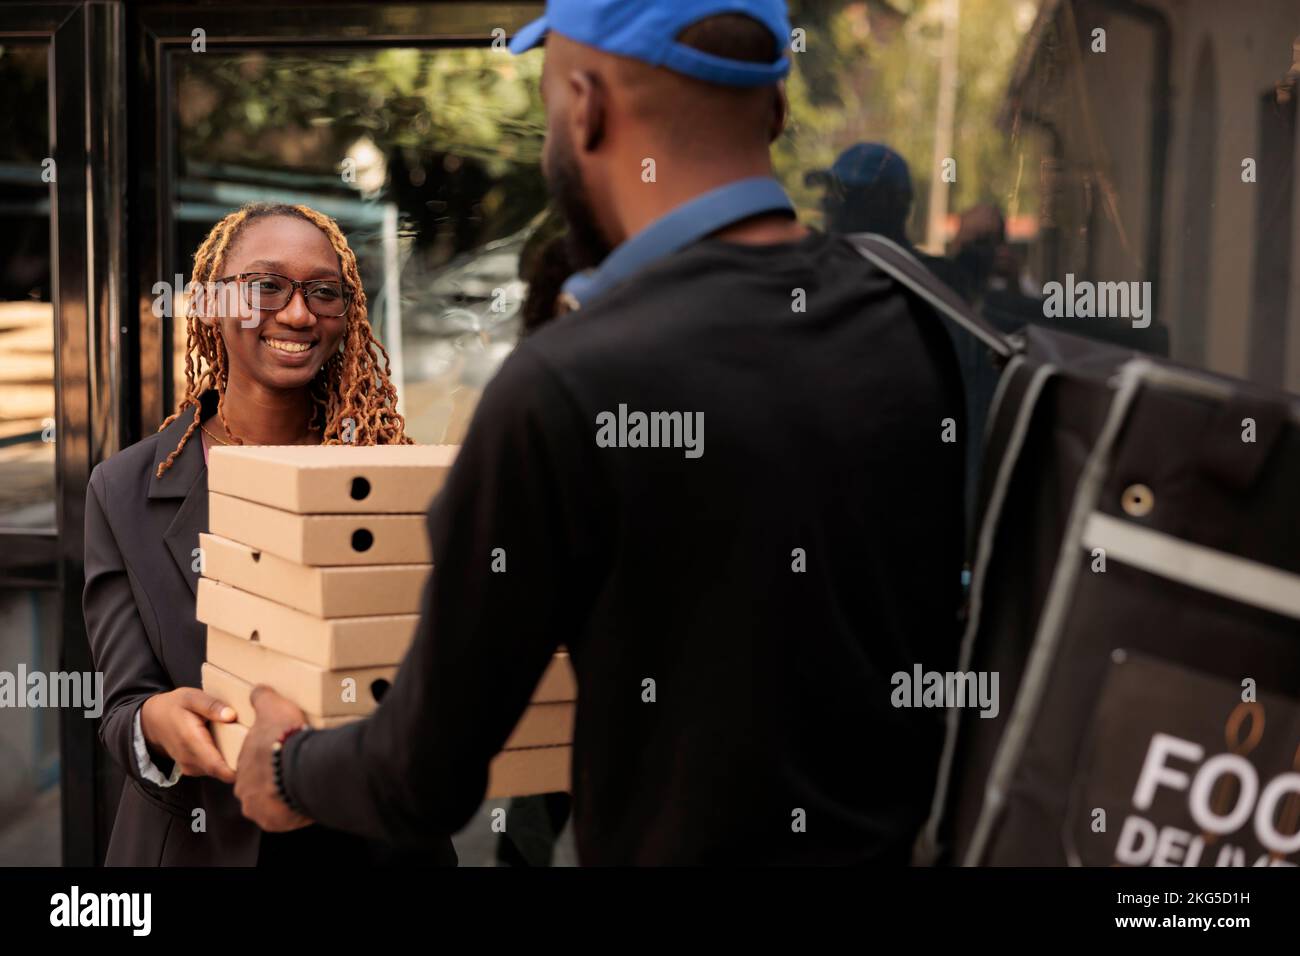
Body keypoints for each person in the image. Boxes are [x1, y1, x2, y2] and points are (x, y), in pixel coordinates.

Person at [236, 0, 967, 865]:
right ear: (773, 111)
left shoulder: (565, 386)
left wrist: (287, 768)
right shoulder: (916, 324)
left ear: (583, 108)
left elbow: (419, 778)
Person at [83, 201, 456, 866]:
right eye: (266, 286)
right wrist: (157, 724)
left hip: (370, 844)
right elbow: (122, 708)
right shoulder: (122, 489)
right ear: (207, 302)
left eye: (323, 291)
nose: (296, 313)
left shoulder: (387, 477)